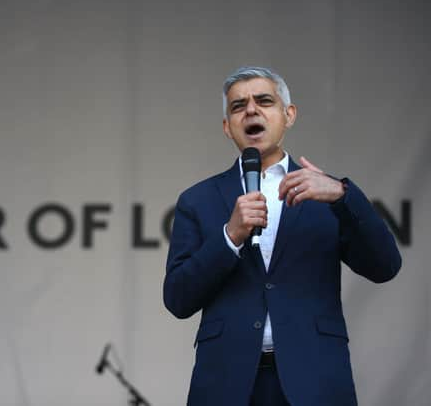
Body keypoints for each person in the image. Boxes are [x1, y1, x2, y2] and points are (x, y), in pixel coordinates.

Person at [163, 66, 401, 406]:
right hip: (227, 382)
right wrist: (230, 235)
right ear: (227, 127)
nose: (251, 111)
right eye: (238, 106)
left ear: (289, 115)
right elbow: (177, 298)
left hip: (314, 378)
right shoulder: (198, 200)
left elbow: (385, 266)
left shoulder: (327, 193)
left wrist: (343, 195)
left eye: (264, 101)